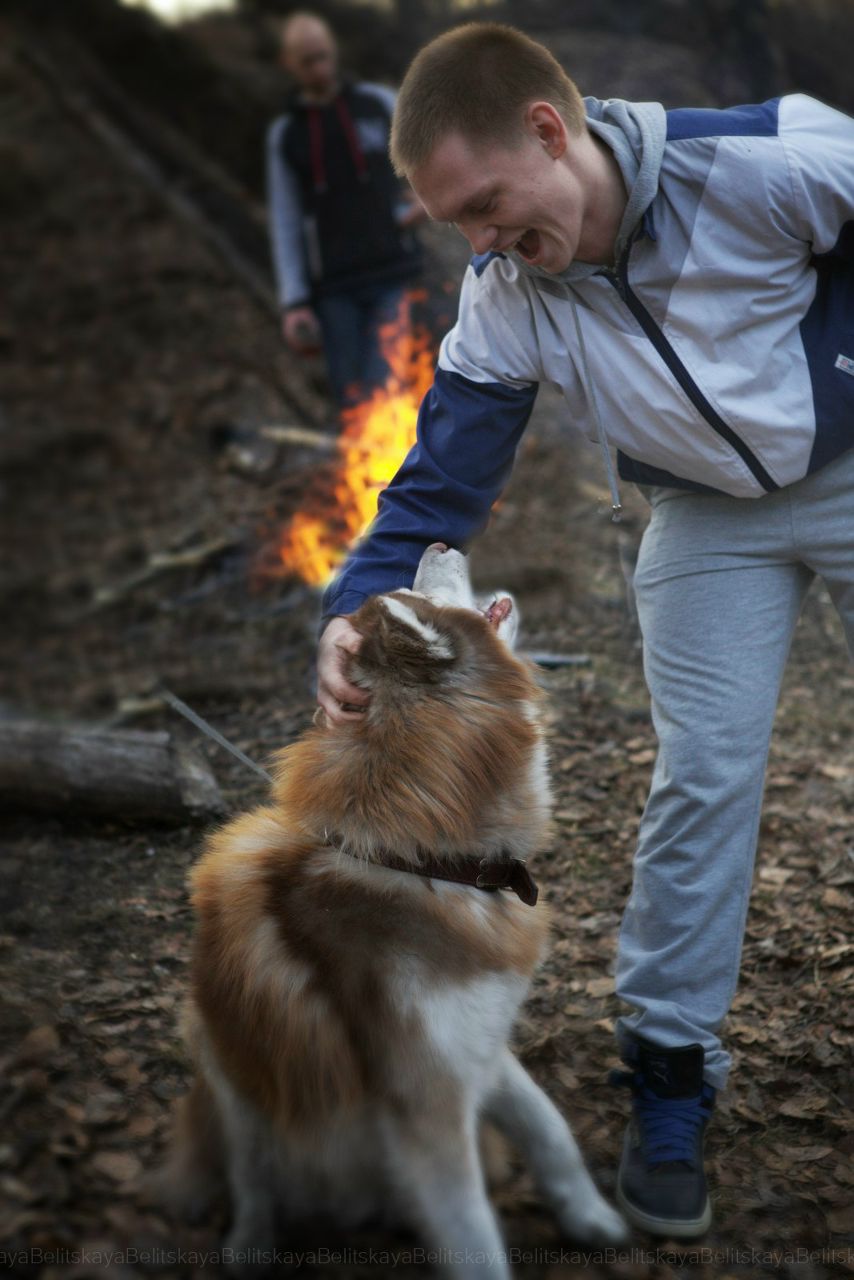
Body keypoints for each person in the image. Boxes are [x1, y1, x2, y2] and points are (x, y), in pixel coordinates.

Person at [314, 22, 854, 1239]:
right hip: (704, 515)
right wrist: (351, 607)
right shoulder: (502, 293)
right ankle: (668, 1075)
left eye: (489, 204)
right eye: (456, 224)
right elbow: (438, 481)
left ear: (549, 132)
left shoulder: (772, 161)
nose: (483, 242)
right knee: (702, 776)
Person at [265, 11, 424, 407]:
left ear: (333, 51)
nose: (319, 68)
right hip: (333, 289)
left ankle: (402, 468)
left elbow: (429, 156)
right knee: (352, 401)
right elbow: (284, 219)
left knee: (386, 390)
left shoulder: (378, 105)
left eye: (323, 56)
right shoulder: (286, 135)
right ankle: (364, 470)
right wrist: (294, 301)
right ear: (289, 63)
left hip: (393, 272)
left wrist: (429, 199)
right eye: (307, 61)